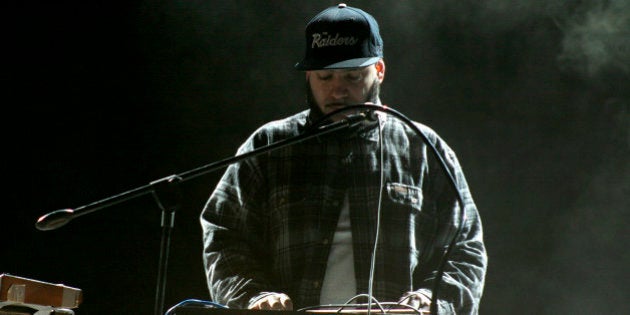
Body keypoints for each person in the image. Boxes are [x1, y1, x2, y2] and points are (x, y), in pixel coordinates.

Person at [200, 3, 487, 314]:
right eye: (325, 78)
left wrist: (433, 299)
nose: (338, 91)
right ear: (309, 76)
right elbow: (223, 235)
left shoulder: (424, 148)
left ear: (379, 70)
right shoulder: (268, 145)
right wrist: (253, 296)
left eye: (352, 76)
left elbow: (465, 248)